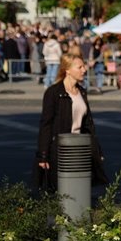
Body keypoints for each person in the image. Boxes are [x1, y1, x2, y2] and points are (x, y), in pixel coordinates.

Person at [35, 54, 107, 193]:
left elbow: (88, 126)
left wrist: (97, 149)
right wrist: (43, 155)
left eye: (84, 66)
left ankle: (78, 214)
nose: (84, 70)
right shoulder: (54, 92)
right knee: (59, 190)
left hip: (79, 148)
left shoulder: (82, 92)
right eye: (79, 67)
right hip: (60, 149)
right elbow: (46, 124)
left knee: (79, 188)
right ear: (67, 70)